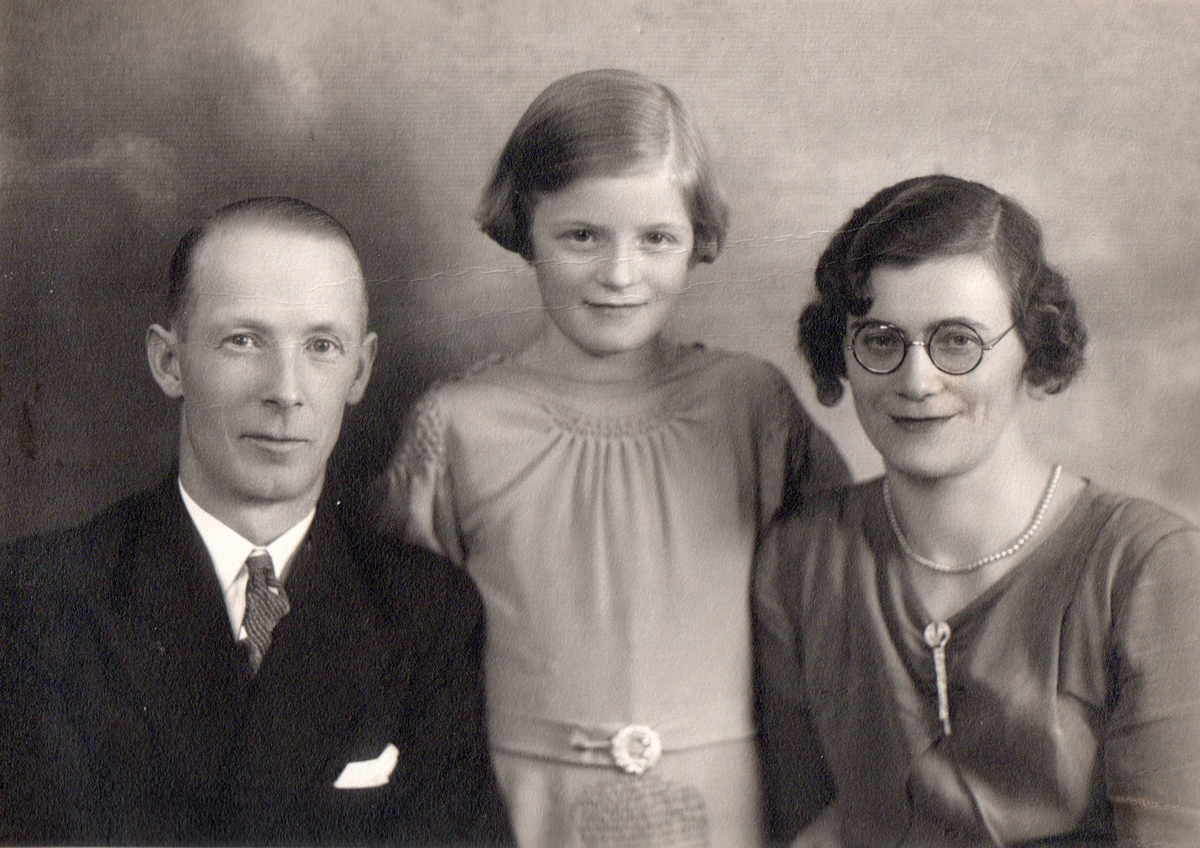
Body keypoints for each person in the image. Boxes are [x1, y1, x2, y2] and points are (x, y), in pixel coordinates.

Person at [379, 69, 847, 848]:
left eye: (656, 238)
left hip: (727, 813)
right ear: (526, 229)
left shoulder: (750, 408)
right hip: (523, 815)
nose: (620, 275)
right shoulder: (458, 427)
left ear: (697, 238)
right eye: (582, 236)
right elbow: (409, 662)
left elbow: (833, 622)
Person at [0, 197, 513, 845]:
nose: (286, 391)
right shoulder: (38, 596)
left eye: (322, 346)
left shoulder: (427, 612)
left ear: (359, 370)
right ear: (169, 362)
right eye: (243, 341)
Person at [754, 174, 1200, 846]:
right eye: (880, 339)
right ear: (840, 351)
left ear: (1033, 345)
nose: (915, 380)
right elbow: (806, 826)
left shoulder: (1147, 568)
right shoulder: (801, 561)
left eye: (958, 340)